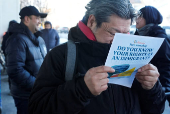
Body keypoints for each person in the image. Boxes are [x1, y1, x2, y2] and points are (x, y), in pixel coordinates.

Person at [28, 0, 166, 114]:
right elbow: (36, 108)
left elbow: (156, 109)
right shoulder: (61, 56)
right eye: (113, 33)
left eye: (126, 33)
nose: (120, 41)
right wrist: (81, 89)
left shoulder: (135, 53)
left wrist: (153, 87)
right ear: (92, 21)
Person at [5, 6, 47, 114]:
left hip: (38, 92)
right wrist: (38, 84)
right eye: (37, 18)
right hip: (25, 96)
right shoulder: (17, 39)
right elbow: (15, 70)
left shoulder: (39, 39)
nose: (39, 22)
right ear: (27, 19)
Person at [135, 6, 170, 105]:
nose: (136, 19)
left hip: (153, 84)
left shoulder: (159, 36)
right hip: (137, 82)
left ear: (149, 17)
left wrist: (164, 87)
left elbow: (166, 63)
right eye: (136, 16)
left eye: (140, 16)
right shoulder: (137, 35)